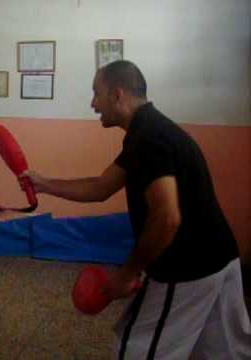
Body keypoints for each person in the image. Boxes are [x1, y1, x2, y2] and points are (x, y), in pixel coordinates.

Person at [20, 60, 251, 359]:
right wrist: (45, 184)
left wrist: (127, 273)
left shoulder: (149, 138)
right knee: (226, 353)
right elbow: (101, 187)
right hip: (221, 258)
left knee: (137, 351)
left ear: (117, 94)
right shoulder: (148, 131)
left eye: (96, 93)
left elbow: (166, 218)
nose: (93, 104)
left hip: (187, 268)